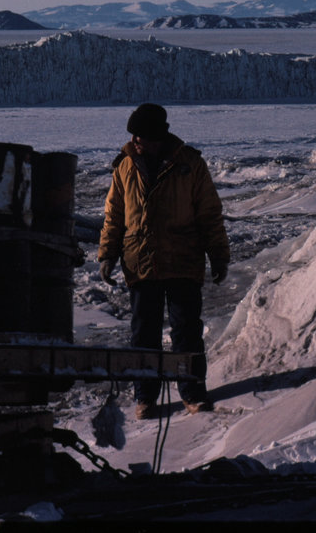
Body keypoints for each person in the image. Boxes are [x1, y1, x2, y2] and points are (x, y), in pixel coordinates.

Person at [98, 103, 230, 419]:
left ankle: (193, 393)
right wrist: (107, 254)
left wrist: (218, 255)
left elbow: (209, 213)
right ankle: (145, 398)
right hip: (141, 262)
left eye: (140, 135)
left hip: (182, 260)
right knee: (144, 334)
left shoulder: (190, 164)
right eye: (133, 135)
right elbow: (114, 215)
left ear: (156, 136)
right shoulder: (124, 167)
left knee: (186, 331)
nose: (135, 140)